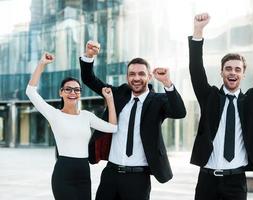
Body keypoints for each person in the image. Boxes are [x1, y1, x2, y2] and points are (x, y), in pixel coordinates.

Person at [189, 13, 253, 200]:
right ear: (221, 72)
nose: (233, 73)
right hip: (207, 181)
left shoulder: (252, 102)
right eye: (228, 68)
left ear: (243, 74)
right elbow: (196, 69)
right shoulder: (209, 97)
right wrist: (198, 31)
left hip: (235, 182)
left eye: (238, 69)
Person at [79, 41, 186, 200]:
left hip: (138, 178)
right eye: (132, 74)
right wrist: (89, 56)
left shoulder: (159, 101)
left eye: (141, 74)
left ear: (149, 77)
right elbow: (89, 79)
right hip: (111, 174)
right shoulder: (118, 94)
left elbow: (179, 112)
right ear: (127, 77)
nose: (136, 78)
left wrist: (167, 83)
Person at [26, 52, 118, 200]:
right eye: (68, 89)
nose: (72, 93)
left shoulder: (86, 116)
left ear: (80, 94)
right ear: (61, 93)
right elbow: (30, 91)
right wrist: (42, 64)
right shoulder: (54, 114)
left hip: (83, 172)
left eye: (76, 89)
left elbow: (113, 127)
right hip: (64, 173)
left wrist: (110, 99)